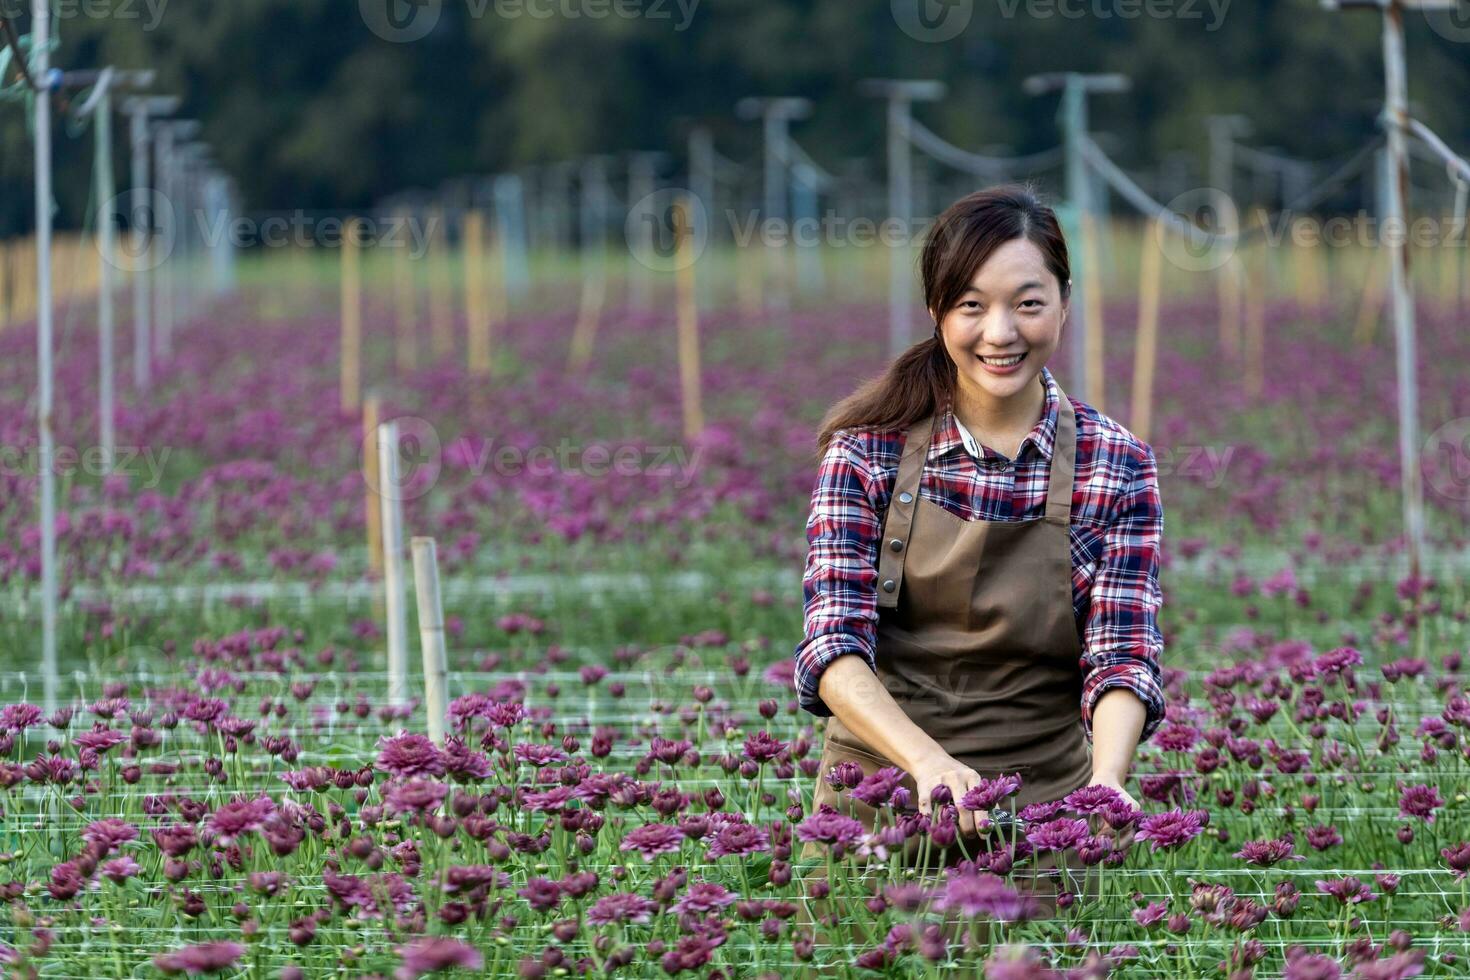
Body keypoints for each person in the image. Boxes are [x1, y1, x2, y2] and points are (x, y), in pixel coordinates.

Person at [792, 184, 1166, 909]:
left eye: (1027, 303)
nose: (1000, 332)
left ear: (1065, 305)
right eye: (971, 305)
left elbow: (1123, 653)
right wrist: (928, 764)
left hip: (1046, 817)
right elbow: (832, 649)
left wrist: (1109, 781)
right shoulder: (866, 454)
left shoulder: (1115, 460)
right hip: (879, 803)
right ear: (937, 314)